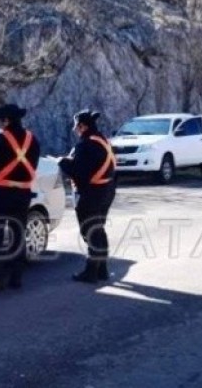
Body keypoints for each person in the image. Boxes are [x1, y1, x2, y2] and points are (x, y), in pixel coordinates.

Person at [0, 104, 40, 291]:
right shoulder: (33, 140)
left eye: (1, 120)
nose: (1, 124)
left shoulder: (0, 140)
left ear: (6, 120)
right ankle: (16, 278)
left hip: (0, 194)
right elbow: (34, 165)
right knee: (18, 235)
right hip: (22, 195)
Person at [59, 109, 117, 283]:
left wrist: (62, 162)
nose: (76, 130)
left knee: (90, 231)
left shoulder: (85, 145)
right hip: (107, 191)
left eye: (77, 127)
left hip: (91, 194)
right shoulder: (103, 141)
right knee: (99, 229)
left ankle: (91, 271)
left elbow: (79, 171)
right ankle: (102, 269)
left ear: (83, 126)